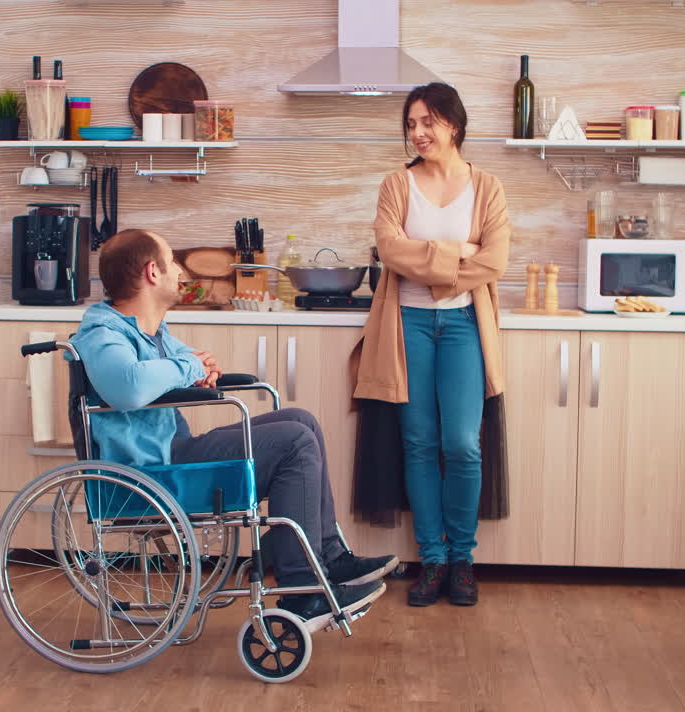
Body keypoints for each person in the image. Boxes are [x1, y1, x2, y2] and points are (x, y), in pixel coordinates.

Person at [70, 228, 396, 628]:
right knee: (293, 441)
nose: (179, 271)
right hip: (148, 474)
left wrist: (195, 367)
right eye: (172, 262)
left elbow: (181, 364)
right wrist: (190, 367)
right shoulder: (103, 331)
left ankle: (328, 557)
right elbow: (129, 385)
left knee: (299, 420)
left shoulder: (149, 332)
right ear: (152, 272)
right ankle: (303, 590)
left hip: (170, 454)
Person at [354, 83, 512, 607]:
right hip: (408, 326)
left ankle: (462, 558)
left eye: (429, 122)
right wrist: (457, 253)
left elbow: (495, 262)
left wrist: (434, 264)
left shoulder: (487, 187)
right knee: (419, 442)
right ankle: (433, 559)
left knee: (462, 444)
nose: (418, 133)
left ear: (455, 125)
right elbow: (390, 251)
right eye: (412, 123)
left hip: (465, 324)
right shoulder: (396, 185)